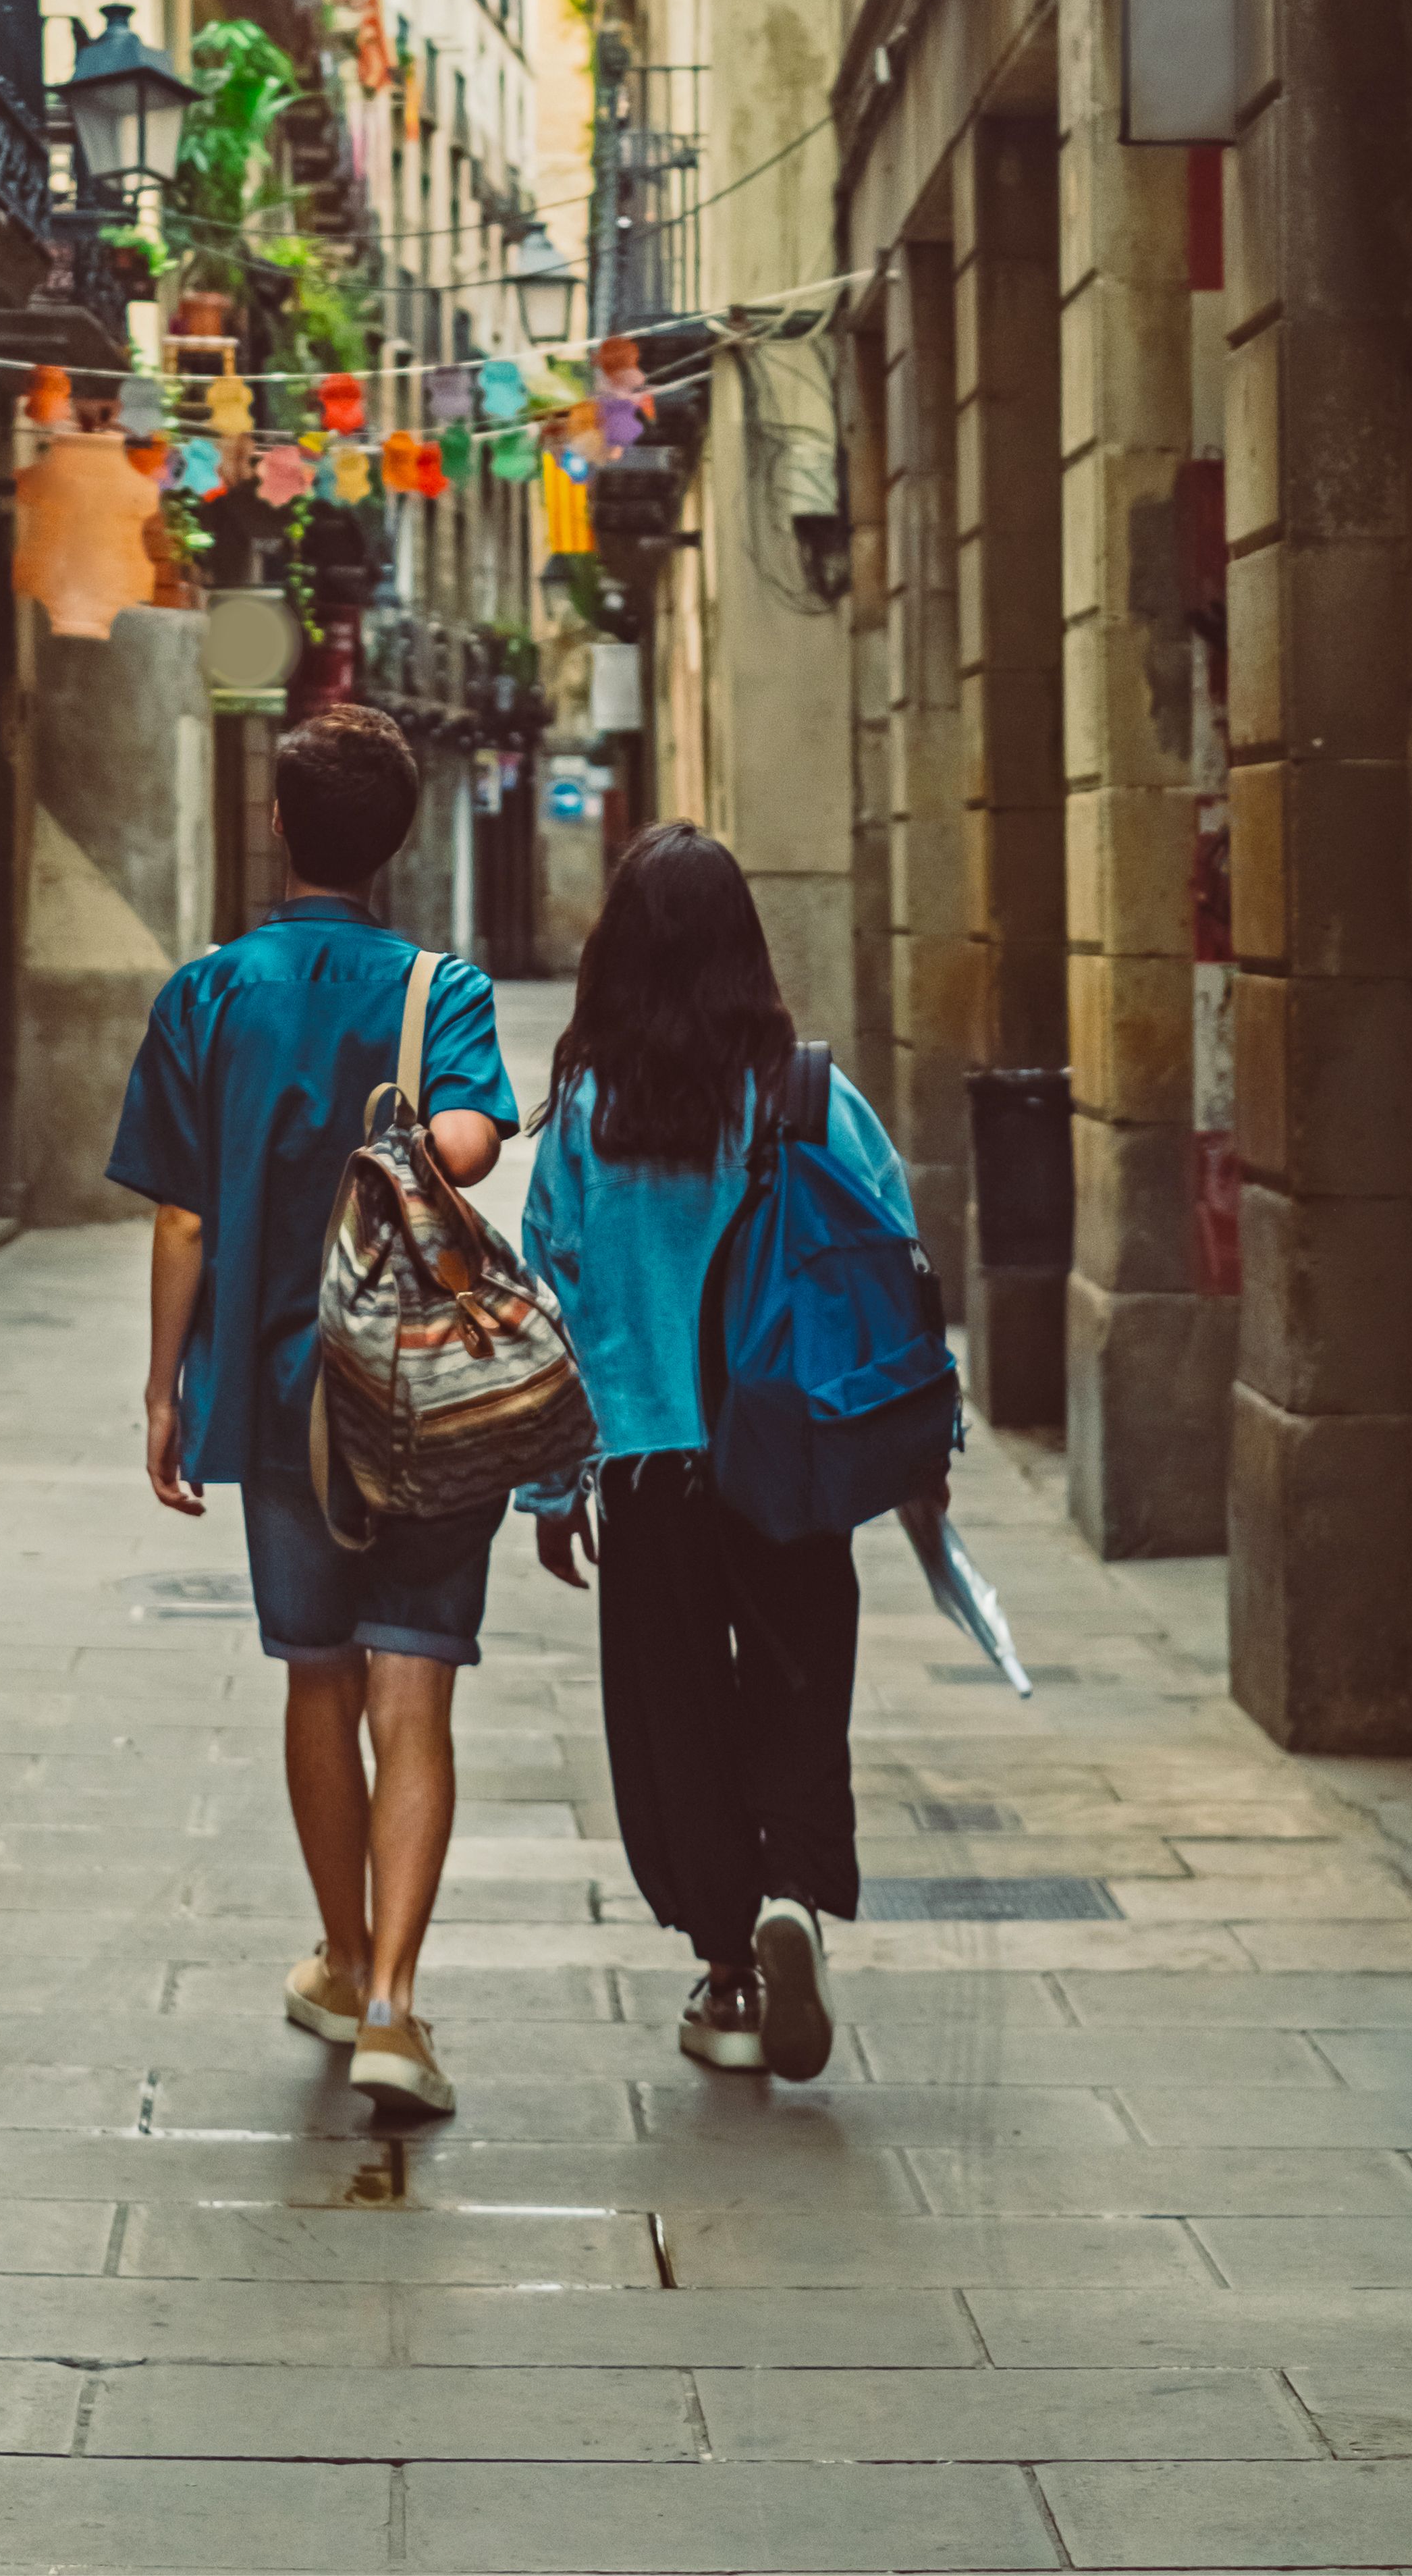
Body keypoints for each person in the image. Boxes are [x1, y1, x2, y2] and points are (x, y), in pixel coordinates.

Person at [109, 701, 516, 2122]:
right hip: (423, 1394)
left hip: (280, 1396)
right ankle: (396, 2006)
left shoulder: (208, 995)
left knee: (318, 1677)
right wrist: (430, 1132)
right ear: (394, 842)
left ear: (277, 826)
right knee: (417, 1689)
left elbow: (179, 1217)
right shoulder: (441, 993)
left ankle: (341, 1962)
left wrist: (164, 1392)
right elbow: (472, 1141)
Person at [520, 820, 923, 2085]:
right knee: (800, 1682)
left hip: (649, 1470)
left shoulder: (586, 1113)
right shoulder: (806, 1095)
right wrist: (911, 1444)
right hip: (791, 1459)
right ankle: (793, 1888)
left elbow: (548, 1298)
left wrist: (550, 1487)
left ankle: (731, 1970)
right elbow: (891, 1255)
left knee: (677, 1717)